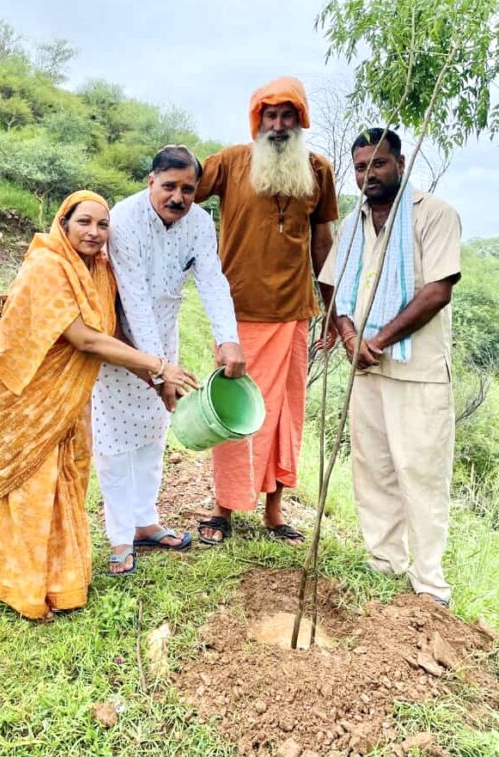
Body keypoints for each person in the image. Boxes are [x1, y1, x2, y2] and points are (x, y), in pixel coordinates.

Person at [0, 190, 197, 617]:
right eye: (84, 222)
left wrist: (155, 380)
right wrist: (160, 365)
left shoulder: (99, 271)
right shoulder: (47, 266)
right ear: (63, 224)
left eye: (103, 225)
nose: (95, 232)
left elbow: (110, 337)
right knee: (35, 485)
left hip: (70, 391)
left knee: (68, 480)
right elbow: (83, 338)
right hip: (27, 390)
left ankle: (62, 581)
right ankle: (23, 587)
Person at [318, 128, 461, 606]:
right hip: (367, 370)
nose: (368, 175)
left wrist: (375, 339)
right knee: (372, 469)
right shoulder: (354, 223)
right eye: (360, 167)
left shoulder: (434, 214)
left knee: (420, 471)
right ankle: (384, 562)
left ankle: (429, 583)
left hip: (416, 371)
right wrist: (348, 335)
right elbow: (333, 286)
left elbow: (437, 290)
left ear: (400, 163)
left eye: (378, 164)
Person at [195, 77, 338, 545]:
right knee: (232, 410)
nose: (278, 125)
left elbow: (322, 242)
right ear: (258, 121)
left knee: (281, 416)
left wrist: (332, 308)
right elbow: (182, 194)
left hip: (295, 310)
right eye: (270, 116)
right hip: (236, 314)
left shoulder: (319, 170)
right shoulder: (232, 161)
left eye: (287, 116)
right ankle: (223, 509)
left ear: (300, 120)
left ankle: (274, 512)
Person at [91, 146, 245, 575]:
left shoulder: (199, 222)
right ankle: (120, 536)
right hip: (121, 337)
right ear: (150, 182)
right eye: (169, 186)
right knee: (115, 439)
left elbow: (212, 280)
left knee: (155, 432)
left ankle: (146, 522)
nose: (178, 197)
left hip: (167, 329)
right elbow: (134, 298)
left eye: (188, 189)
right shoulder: (124, 218)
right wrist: (156, 369)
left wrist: (228, 339)